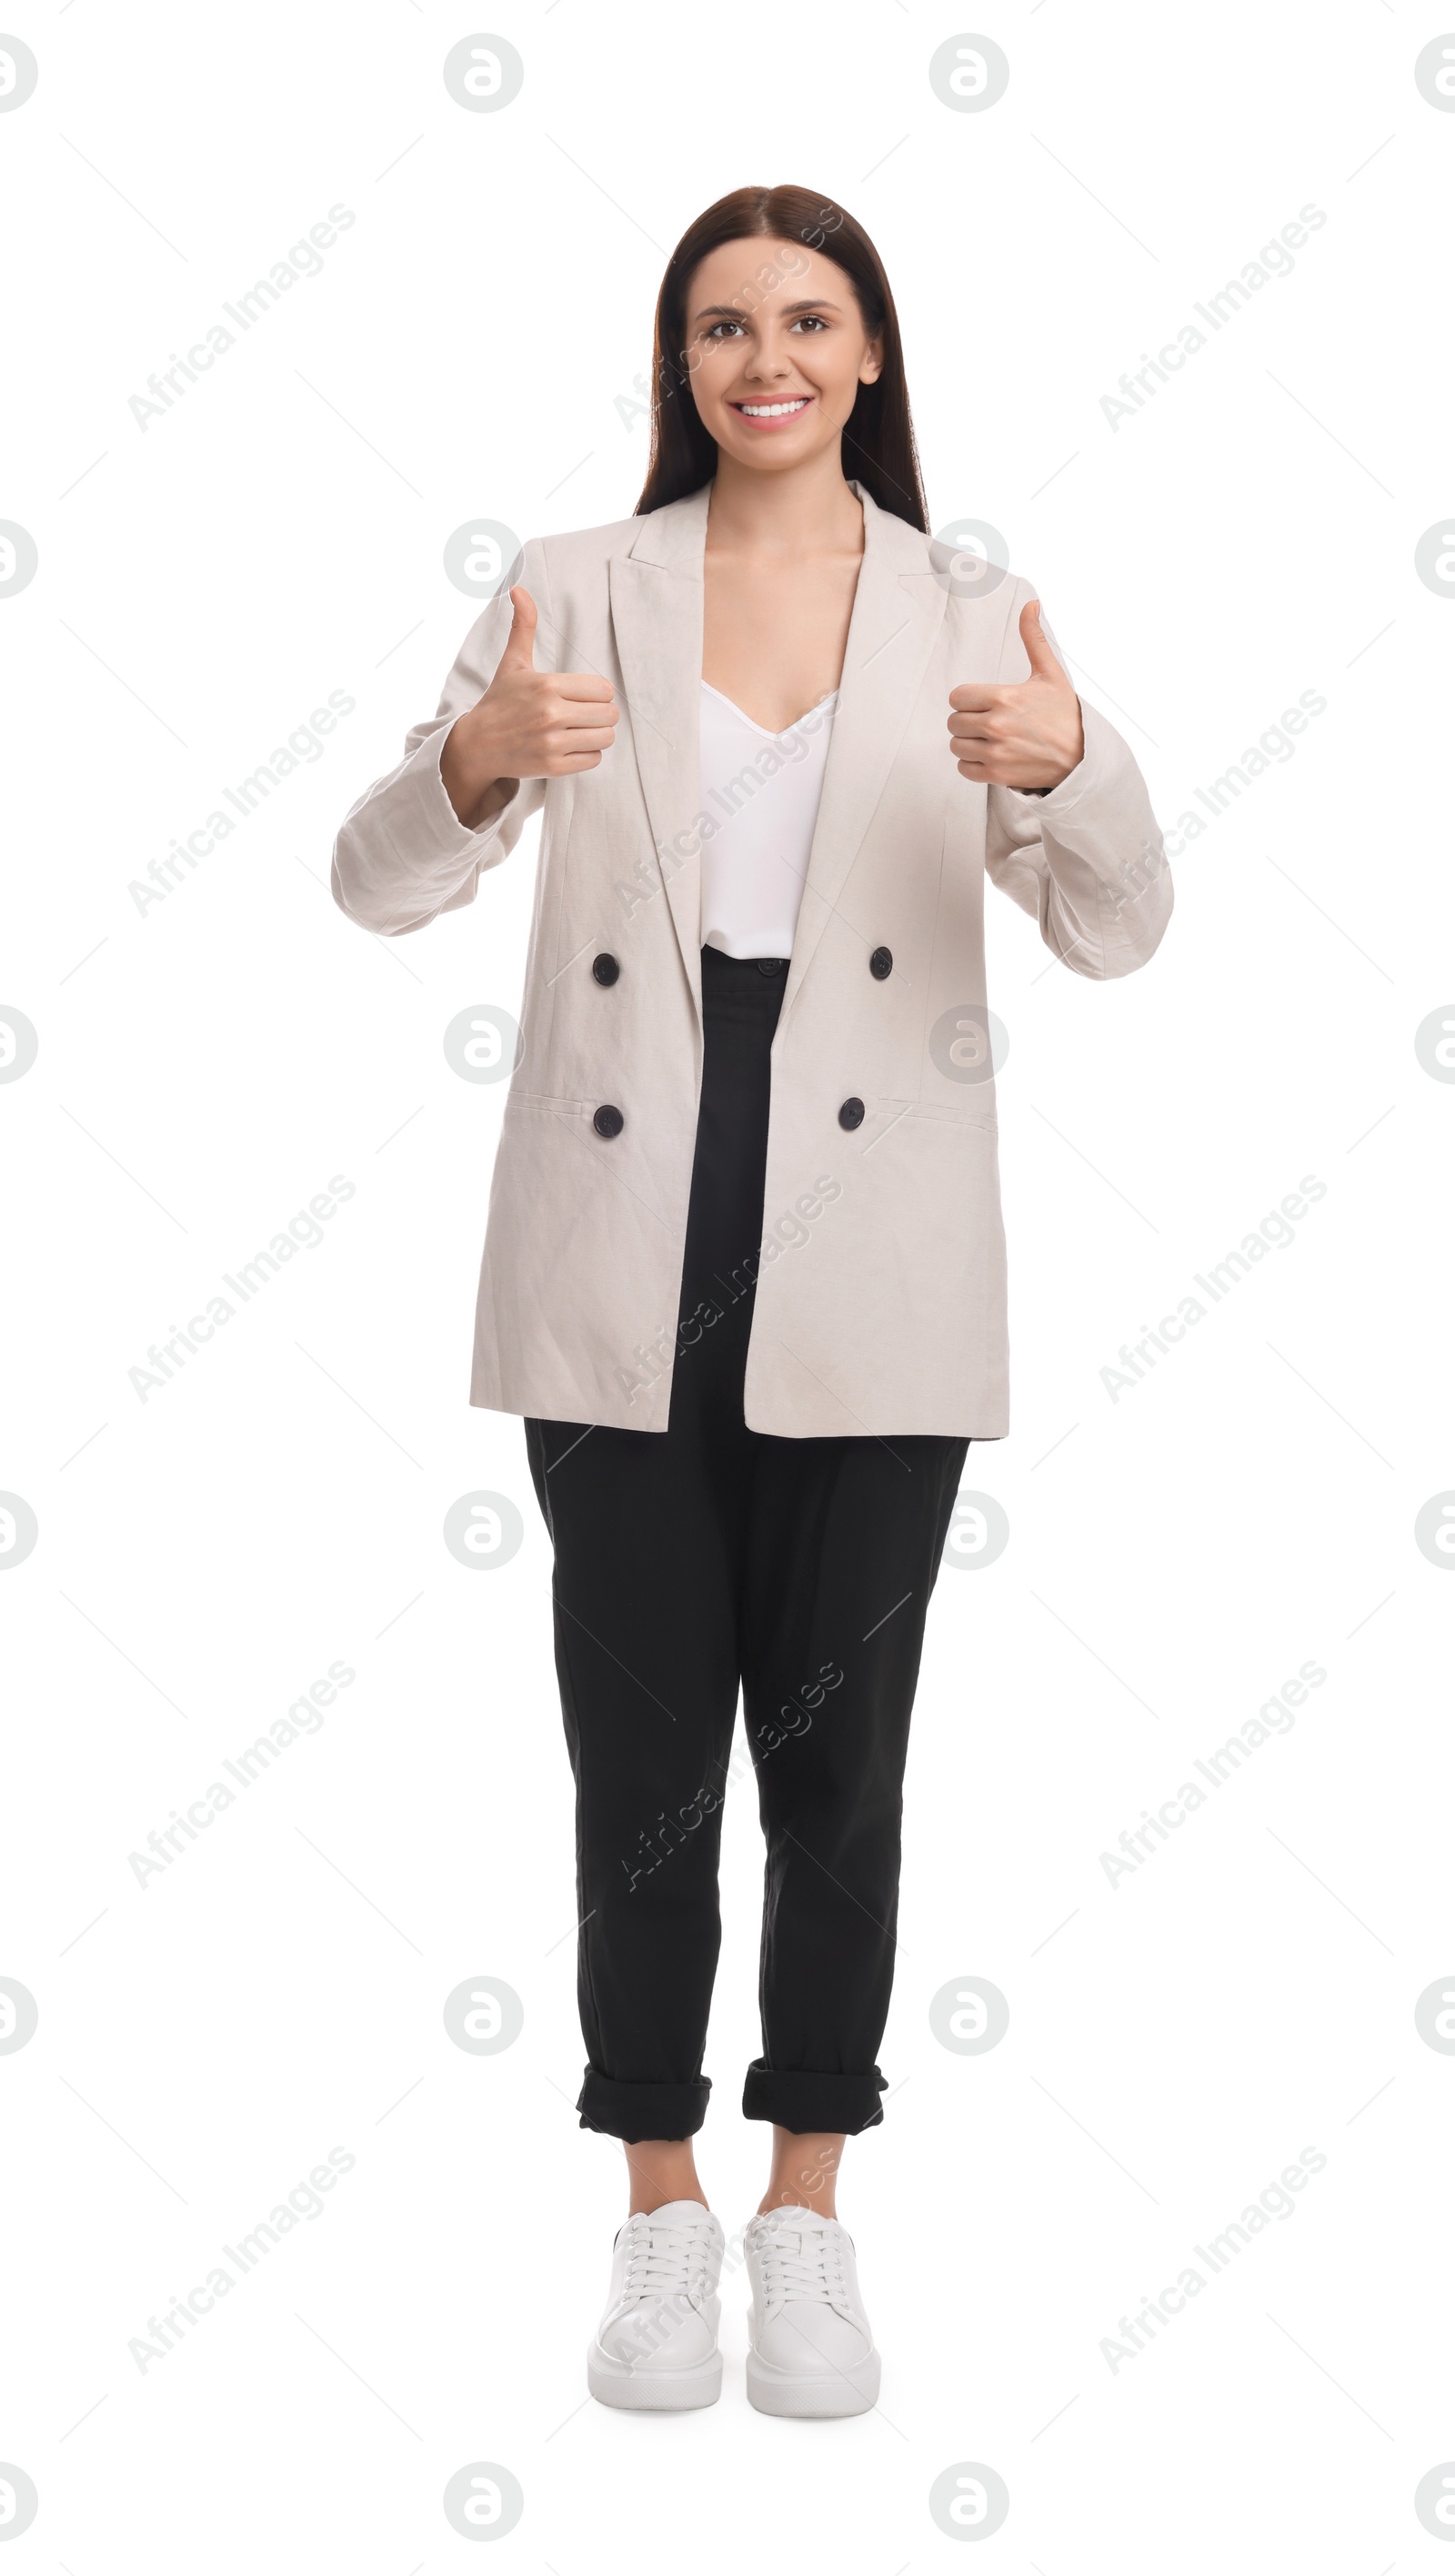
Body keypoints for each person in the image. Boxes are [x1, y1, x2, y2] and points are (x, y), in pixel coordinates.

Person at [331, 182, 1171, 2420]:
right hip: (624, 1238)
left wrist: (1069, 769)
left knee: (839, 1755)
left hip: (871, 1246)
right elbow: (374, 881)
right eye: (721, 325)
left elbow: (1118, 930)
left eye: (806, 320)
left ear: (870, 353)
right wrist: (482, 761)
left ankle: (809, 2209)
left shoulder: (968, 603)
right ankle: (655, 2211)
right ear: (675, 362)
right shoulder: (565, 589)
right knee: (639, 1768)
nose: (763, 358)